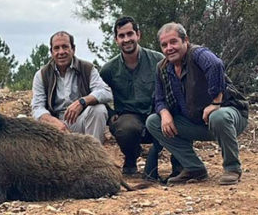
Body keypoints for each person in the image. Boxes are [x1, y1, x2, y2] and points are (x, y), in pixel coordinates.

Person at [146, 22, 249, 186]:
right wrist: (165, 114)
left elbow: (216, 65)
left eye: (173, 42)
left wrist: (216, 102)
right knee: (153, 121)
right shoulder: (162, 68)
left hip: (228, 118)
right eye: (164, 45)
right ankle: (194, 168)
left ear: (185, 40)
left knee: (219, 116)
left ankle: (232, 168)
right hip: (196, 122)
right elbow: (159, 99)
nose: (169, 48)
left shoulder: (198, 54)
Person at [99, 16, 177, 180]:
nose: (126, 39)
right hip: (129, 118)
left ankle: (179, 161)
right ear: (116, 40)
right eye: (121, 36)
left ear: (138, 35)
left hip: (157, 113)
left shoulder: (158, 60)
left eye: (130, 34)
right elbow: (97, 93)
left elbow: (174, 88)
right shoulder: (108, 69)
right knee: (125, 128)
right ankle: (131, 157)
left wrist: (167, 113)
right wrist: (110, 114)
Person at [31, 31, 112, 143]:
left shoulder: (87, 68)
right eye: (56, 48)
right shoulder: (41, 75)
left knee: (99, 110)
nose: (61, 52)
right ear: (51, 52)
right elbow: (37, 108)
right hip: (54, 125)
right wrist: (54, 123)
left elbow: (106, 92)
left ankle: (93, 155)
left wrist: (82, 102)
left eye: (65, 47)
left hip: (80, 120)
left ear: (73, 49)